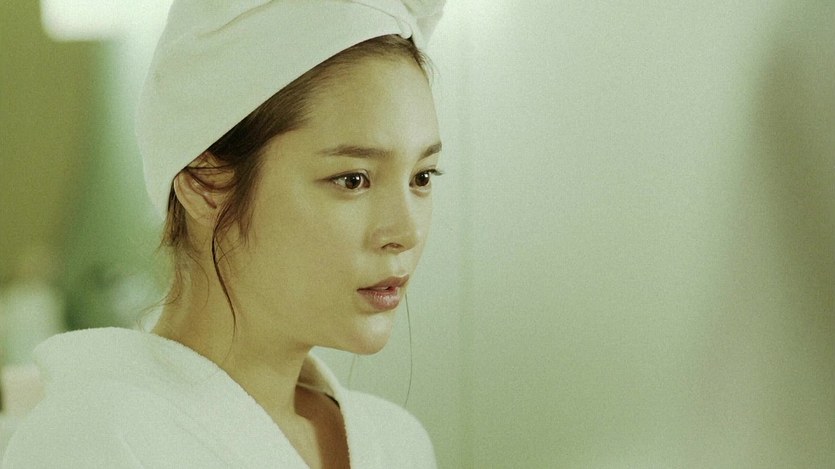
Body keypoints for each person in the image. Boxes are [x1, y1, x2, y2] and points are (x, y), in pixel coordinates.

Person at [2, 0, 445, 467]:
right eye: (353, 180)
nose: (406, 232)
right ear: (206, 185)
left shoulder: (398, 443)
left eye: (422, 177)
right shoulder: (93, 442)